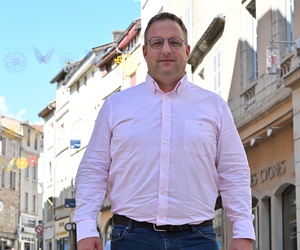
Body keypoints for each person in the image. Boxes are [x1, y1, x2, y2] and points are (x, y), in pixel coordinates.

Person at [74, 12, 255, 250]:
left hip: (197, 239)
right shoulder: (115, 106)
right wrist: (86, 227)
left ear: (187, 51)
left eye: (175, 42)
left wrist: (243, 231)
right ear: (145, 52)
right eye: (157, 43)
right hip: (131, 238)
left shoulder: (214, 106)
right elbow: (93, 170)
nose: (166, 50)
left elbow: (234, 172)